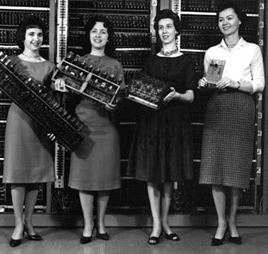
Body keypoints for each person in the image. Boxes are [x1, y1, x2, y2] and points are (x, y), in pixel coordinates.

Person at [0, 15, 56, 247]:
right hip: (18, 122)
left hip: (40, 124)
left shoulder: (50, 66)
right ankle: (17, 224)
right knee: (18, 174)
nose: (36, 39)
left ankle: (30, 223)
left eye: (39, 35)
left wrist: (55, 127)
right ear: (23, 38)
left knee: (35, 176)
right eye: (31, 34)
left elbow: (54, 102)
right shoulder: (12, 62)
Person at [126, 9, 196, 245]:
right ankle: (156, 224)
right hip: (152, 120)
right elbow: (141, 92)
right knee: (152, 173)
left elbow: (191, 96)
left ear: (177, 30)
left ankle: (165, 223)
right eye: (160, 27)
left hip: (175, 120)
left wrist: (177, 96)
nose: (164, 31)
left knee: (169, 174)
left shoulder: (187, 60)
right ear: (157, 32)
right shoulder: (151, 60)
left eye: (168, 27)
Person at [198, 3, 265, 246]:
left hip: (241, 108)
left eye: (229, 18)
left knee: (235, 170)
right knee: (215, 168)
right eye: (220, 20)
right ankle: (221, 223)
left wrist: (236, 84)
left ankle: (233, 221)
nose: (224, 23)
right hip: (217, 108)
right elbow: (210, 81)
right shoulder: (211, 52)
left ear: (239, 21)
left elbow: (259, 83)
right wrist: (204, 83)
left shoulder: (252, 49)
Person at [64, 16, 124, 244]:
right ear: (88, 35)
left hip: (106, 127)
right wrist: (61, 85)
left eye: (103, 32)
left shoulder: (115, 65)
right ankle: (88, 224)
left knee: (104, 178)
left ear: (108, 37)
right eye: (94, 31)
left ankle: (101, 223)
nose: (98, 35)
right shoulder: (78, 61)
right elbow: (67, 95)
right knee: (85, 177)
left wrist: (114, 104)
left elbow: (120, 99)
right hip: (83, 125)